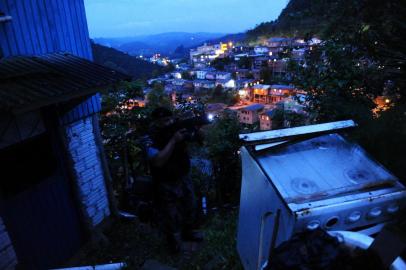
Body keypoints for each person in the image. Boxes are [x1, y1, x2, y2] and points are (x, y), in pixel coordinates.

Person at [146, 107, 203, 253]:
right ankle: (173, 243)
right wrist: (173, 140)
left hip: (183, 175)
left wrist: (196, 130)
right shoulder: (150, 137)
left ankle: (188, 232)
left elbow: (197, 138)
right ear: (156, 122)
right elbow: (158, 161)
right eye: (164, 121)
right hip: (165, 180)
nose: (168, 123)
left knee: (190, 205)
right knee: (170, 214)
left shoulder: (176, 129)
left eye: (170, 119)